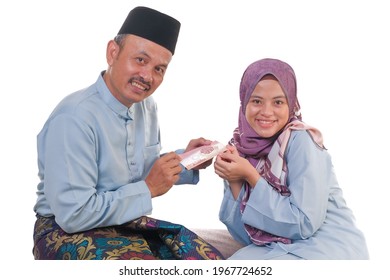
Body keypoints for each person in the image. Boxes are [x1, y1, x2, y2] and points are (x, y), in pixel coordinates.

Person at [33, 6, 224, 260]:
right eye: (141, 60)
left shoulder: (147, 106)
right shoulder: (74, 118)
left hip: (124, 222)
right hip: (64, 232)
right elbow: (74, 214)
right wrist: (148, 188)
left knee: (206, 260)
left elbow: (140, 169)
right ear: (113, 53)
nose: (147, 76)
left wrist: (187, 160)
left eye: (159, 69)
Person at [214, 58, 369, 259]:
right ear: (244, 102)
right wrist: (235, 180)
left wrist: (251, 176)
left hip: (326, 245)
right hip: (279, 245)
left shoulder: (302, 140)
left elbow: (304, 223)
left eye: (278, 102)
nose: (266, 112)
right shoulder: (241, 148)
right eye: (256, 101)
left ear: (291, 102)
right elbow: (246, 235)